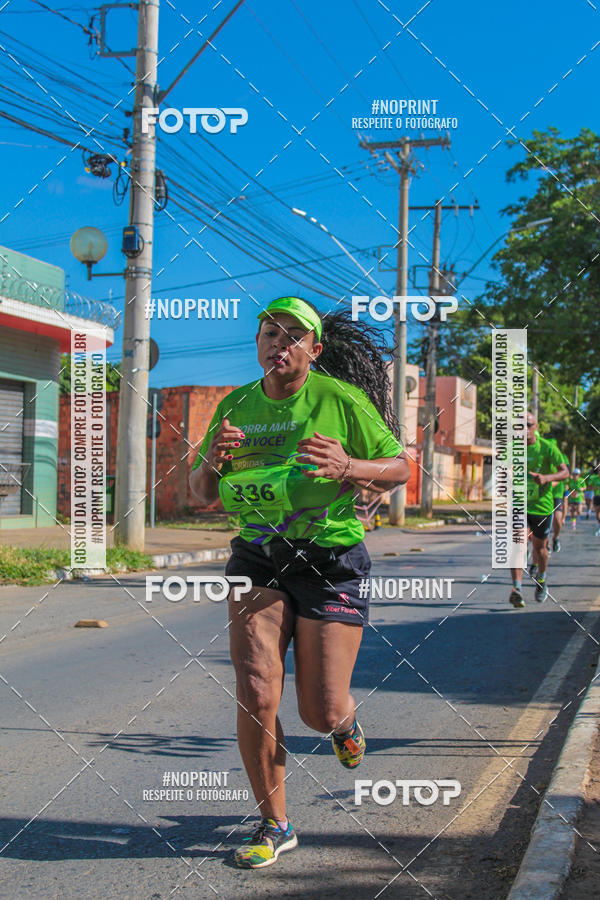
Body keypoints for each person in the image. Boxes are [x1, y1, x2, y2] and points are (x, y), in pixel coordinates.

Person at [190, 296, 410, 868]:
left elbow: (401, 466)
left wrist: (351, 468)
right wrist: (213, 460)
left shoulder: (341, 401)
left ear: (315, 349)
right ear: (257, 343)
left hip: (330, 559)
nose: (278, 343)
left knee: (318, 708)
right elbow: (199, 494)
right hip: (258, 556)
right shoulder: (235, 405)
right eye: (269, 332)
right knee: (257, 686)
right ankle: (275, 822)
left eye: (293, 335)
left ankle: (343, 721)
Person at [509, 413, 569, 608]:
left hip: (542, 506)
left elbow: (565, 472)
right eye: (520, 425)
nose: (524, 429)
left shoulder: (547, 447)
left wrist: (546, 478)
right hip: (519, 504)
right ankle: (516, 589)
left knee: (539, 548)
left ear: (535, 426)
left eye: (528, 425)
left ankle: (542, 580)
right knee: (518, 544)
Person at [549, 439, 569, 554]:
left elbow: (566, 473)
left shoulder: (562, 457)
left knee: (557, 518)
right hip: (541, 494)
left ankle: (556, 537)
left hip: (557, 493)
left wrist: (551, 482)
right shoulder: (541, 455)